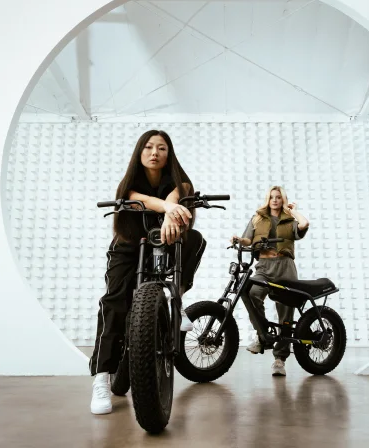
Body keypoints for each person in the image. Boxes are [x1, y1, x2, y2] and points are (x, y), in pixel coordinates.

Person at [89, 130, 207, 415]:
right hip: (129, 245)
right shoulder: (129, 185)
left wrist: (171, 211)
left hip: (165, 241)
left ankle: (175, 300)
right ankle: (102, 379)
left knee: (196, 239)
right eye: (149, 147)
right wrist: (167, 208)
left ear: (169, 154)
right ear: (140, 153)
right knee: (114, 303)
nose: (155, 152)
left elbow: (177, 194)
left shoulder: (181, 182)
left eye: (162, 148)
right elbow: (142, 198)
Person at [232, 185, 309, 376]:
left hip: (285, 266)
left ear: (283, 200)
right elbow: (248, 240)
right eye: (272, 197)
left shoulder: (290, 219)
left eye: (279, 197)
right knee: (251, 293)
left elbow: (304, 224)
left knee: (285, 314)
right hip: (264, 267)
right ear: (267, 199)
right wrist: (239, 240)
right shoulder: (257, 218)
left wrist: (293, 210)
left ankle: (279, 360)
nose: (275, 200)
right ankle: (263, 335)